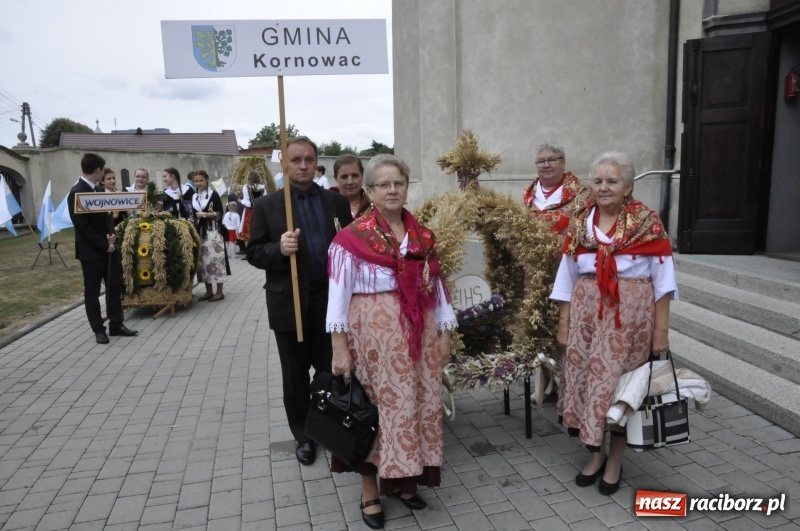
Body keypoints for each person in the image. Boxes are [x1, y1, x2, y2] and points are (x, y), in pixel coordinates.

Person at [326, 154, 458, 529]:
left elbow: (437, 288)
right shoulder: (351, 239)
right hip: (373, 341)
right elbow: (338, 297)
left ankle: (403, 480)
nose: (392, 190)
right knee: (375, 412)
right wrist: (339, 347)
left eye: (398, 183)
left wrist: (445, 333)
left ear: (406, 186)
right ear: (370, 190)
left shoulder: (422, 236)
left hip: (420, 339)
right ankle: (370, 488)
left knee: (415, 406)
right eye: (383, 184)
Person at [550, 151, 677, 496]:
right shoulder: (580, 223)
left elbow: (664, 283)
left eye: (612, 181)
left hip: (629, 320)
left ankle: (616, 460)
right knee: (584, 382)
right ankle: (595, 454)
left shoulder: (647, 223)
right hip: (586, 316)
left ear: (628, 186)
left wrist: (661, 333)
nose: (603, 187)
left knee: (620, 389)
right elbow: (567, 275)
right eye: (598, 180)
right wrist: (564, 322)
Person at [246, 136, 352, 467]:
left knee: (331, 370)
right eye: (296, 160)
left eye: (309, 159)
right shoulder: (267, 206)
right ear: (285, 164)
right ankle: (304, 435)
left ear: (316, 162)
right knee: (294, 376)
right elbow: (253, 252)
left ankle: (332, 430)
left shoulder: (335, 203)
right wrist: (279, 250)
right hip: (289, 303)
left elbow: (349, 246)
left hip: (329, 303)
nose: (303, 165)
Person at [68, 153, 138, 344]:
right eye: (103, 170)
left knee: (114, 285)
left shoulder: (99, 190)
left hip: (108, 247)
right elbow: (82, 227)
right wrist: (103, 244)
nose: (104, 174)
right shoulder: (77, 192)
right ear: (98, 170)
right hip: (91, 252)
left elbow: (104, 219)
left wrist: (111, 236)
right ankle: (98, 328)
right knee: (92, 291)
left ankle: (116, 323)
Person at [522, 142, 590, 235]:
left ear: (563, 163)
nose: (546, 165)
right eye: (541, 161)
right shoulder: (527, 195)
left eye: (552, 160)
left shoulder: (582, 192)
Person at [192, 169, 230, 302]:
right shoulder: (194, 196)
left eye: (201, 180)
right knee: (203, 262)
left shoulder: (213, 195)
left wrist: (205, 214)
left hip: (213, 231)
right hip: (200, 232)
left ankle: (219, 292)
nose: (198, 183)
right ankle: (208, 291)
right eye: (196, 181)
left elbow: (220, 213)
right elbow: (192, 213)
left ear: (206, 180)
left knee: (216, 261)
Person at [331, 154, 371, 219]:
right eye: (344, 177)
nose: (350, 182)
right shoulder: (325, 206)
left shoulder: (374, 206)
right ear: (336, 178)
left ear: (362, 176)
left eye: (355, 176)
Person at [239, 171, 265, 245]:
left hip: (249, 211)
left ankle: (249, 252)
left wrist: (241, 201)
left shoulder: (246, 187)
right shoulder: (263, 187)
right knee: (259, 230)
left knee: (247, 232)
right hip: (260, 211)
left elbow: (247, 201)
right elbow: (264, 200)